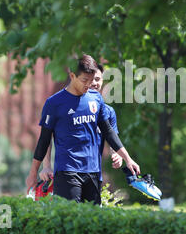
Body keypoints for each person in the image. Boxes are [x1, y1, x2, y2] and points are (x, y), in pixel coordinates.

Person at [26, 54, 140, 205]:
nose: (89, 84)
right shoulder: (54, 103)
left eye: (92, 80)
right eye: (84, 80)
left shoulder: (96, 99)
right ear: (72, 76)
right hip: (67, 171)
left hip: (93, 172)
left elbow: (108, 131)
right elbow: (44, 140)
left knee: (91, 221)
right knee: (70, 219)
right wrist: (33, 173)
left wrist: (127, 158)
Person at [38, 63, 123, 184]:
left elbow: (112, 138)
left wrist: (117, 154)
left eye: (97, 79)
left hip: (93, 174)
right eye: (89, 79)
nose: (93, 83)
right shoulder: (64, 105)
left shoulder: (108, 112)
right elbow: (46, 138)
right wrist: (46, 166)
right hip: (69, 172)